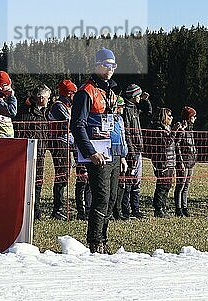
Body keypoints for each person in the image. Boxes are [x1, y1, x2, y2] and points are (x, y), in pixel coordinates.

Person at [71, 48, 128, 253]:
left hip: (113, 153)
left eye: (113, 65)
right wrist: (90, 152)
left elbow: (115, 124)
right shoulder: (86, 91)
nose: (110, 69)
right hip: (97, 154)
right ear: (96, 65)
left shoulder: (110, 91)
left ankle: (103, 240)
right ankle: (95, 243)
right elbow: (77, 125)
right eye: (106, 64)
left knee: (112, 199)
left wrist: (121, 153)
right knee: (101, 199)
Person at [16, 84, 52, 220]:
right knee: (26, 182)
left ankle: (36, 210)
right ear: (41, 97)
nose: (48, 100)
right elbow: (22, 131)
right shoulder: (26, 111)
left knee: (38, 181)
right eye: (47, 98)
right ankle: (26, 210)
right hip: (28, 152)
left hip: (40, 151)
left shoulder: (43, 111)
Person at [48, 79, 77, 220]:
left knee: (65, 174)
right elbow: (71, 122)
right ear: (68, 93)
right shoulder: (58, 106)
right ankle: (57, 208)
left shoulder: (67, 105)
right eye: (73, 93)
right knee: (61, 174)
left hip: (66, 143)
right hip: (59, 143)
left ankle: (60, 205)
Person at [120, 84, 147, 219]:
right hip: (132, 151)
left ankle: (136, 209)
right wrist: (131, 151)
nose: (139, 98)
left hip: (138, 149)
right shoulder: (127, 110)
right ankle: (126, 210)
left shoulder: (135, 108)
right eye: (138, 95)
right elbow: (127, 133)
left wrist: (146, 101)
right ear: (133, 96)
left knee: (137, 180)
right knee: (129, 180)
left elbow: (148, 113)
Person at [149, 107, 176, 217]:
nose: (171, 118)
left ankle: (163, 207)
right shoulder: (158, 129)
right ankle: (158, 208)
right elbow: (166, 143)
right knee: (162, 185)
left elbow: (173, 142)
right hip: (162, 161)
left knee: (168, 185)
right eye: (169, 116)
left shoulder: (167, 129)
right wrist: (174, 131)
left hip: (170, 160)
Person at [173, 106, 198, 217]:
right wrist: (180, 162)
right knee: (180, 186)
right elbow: (177, 145)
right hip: (183, 162)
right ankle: (178, 208)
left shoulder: (191, 129)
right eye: (193, 116)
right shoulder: (182, 130)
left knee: (186, 186)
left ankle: (185, 207)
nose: (195, 118)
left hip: (191, 161)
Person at [0, 71, 17, 138]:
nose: (0, 88)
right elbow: (12, 111)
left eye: (3, 85)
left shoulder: (3, 98)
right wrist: (12, 96)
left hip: (6, 138)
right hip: (0, 139)